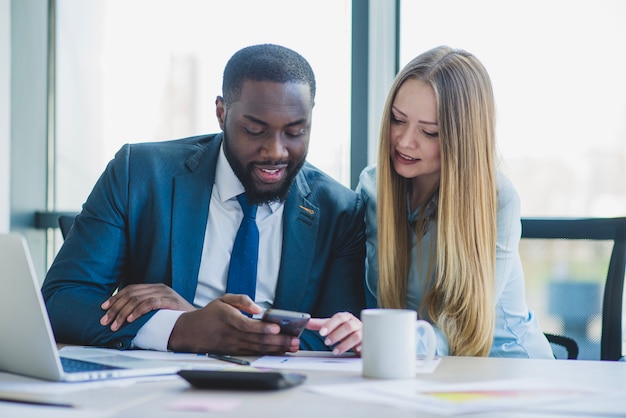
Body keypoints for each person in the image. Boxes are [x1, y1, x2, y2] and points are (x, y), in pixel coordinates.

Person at [42, 44, 364, 356]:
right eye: (254, 130)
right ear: (221, 113)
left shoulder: (340, 211)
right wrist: (183, 327)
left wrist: (215, 330)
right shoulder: (139, 174)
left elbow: (337, 337)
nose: (276, 151)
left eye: (295, 132)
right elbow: (61, 300)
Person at [352, 45, 553, 358]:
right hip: (411, 363)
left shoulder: (498, 200)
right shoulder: (372, 187)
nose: (405, 141)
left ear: (461, 137)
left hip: (500, 365)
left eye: (429, 132)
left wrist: (383, 339)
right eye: (397, 119)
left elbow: (463, 332)